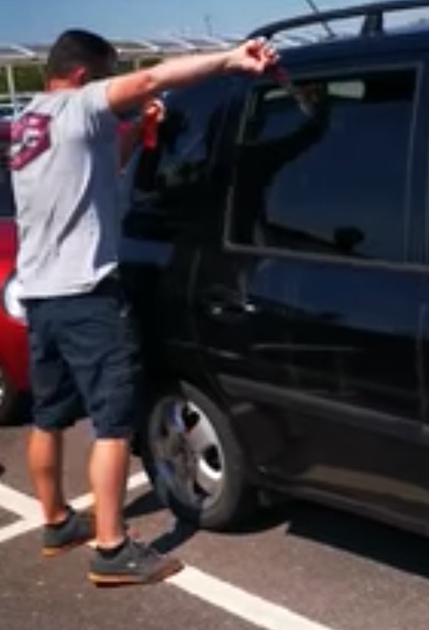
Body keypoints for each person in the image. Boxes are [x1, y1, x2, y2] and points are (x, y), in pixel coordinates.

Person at [8, 28, 278, 586]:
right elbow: (153, 77)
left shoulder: (30, 119)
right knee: (111, 422)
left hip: (40, 296)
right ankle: (111, 550)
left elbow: (95, 173)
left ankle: (57, 521)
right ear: (85, 76)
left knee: (49, 415)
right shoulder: (83, 104)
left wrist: (139, 133)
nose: (116, 90)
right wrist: (231, 58)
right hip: (86, 296)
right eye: (108, 79)